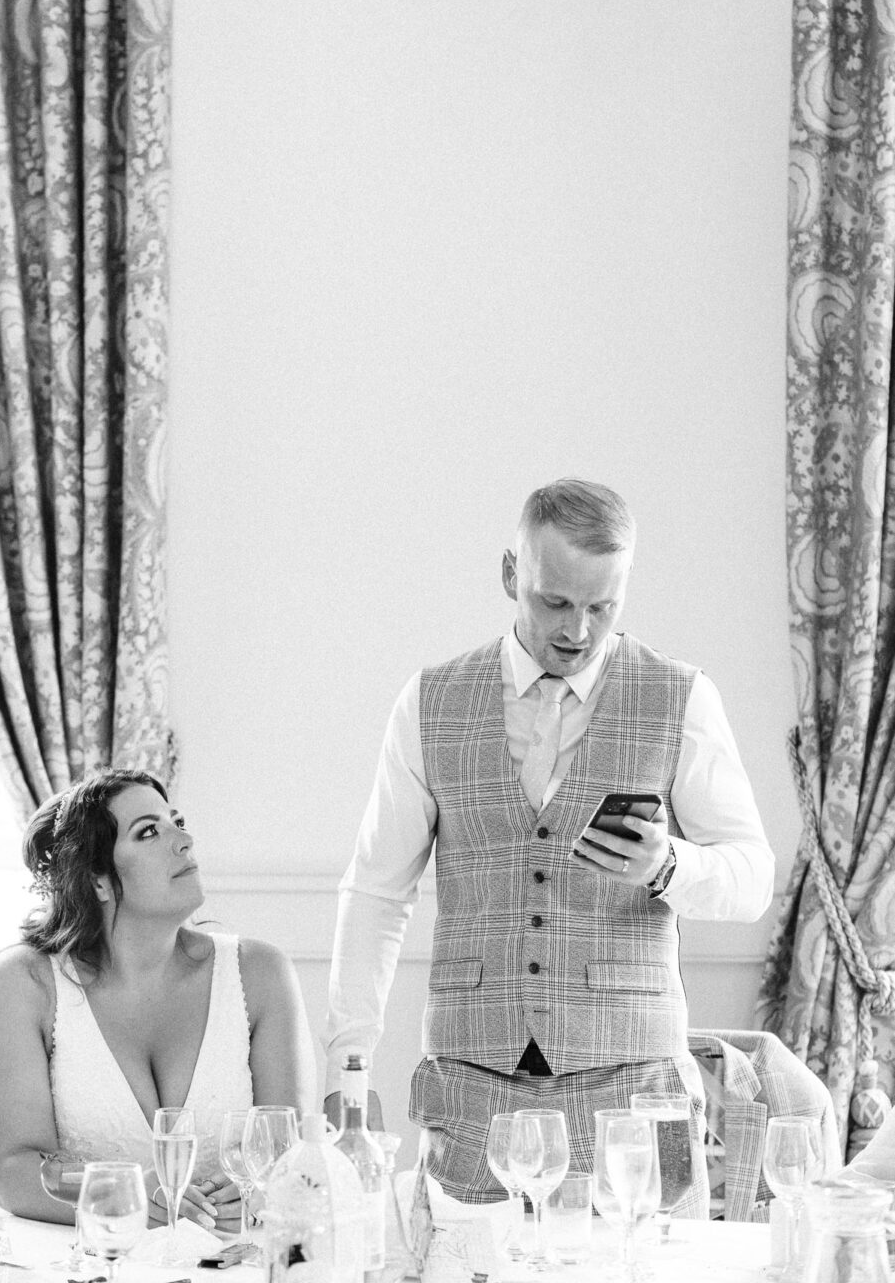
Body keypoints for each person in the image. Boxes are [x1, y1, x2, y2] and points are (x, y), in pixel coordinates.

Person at [324, 478, 775, 1210]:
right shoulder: (428, 702)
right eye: (554, 603)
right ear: (511, 575)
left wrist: (666, 864)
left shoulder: (681, 697)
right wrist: (347, 1060)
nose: (577, 632)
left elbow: (751, 877)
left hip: (635, 1094)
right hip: (472, 1093)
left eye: (602, 608)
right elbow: (377, 890)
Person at [0, 767, 315, 1231]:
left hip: (228, 1272)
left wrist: (258, 1193)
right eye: (149, 831)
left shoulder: (260, 974)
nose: (184, 841)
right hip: (87, 1272)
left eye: (178, 822)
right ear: (98, 881)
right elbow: (10, 1169)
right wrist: (119, 1197)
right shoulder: (25, 982)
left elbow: (290, 1157)